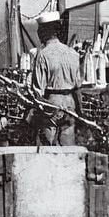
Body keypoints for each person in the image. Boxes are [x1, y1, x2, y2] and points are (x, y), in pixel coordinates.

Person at [30, 10, 83, 146]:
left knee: (48, 146)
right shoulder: (72, 53)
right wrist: (80, 111)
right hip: (71, 102)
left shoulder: (43, 55)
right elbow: (78, 86)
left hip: (52, 101)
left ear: (44, 32)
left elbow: (38, 90)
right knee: (68, 144)